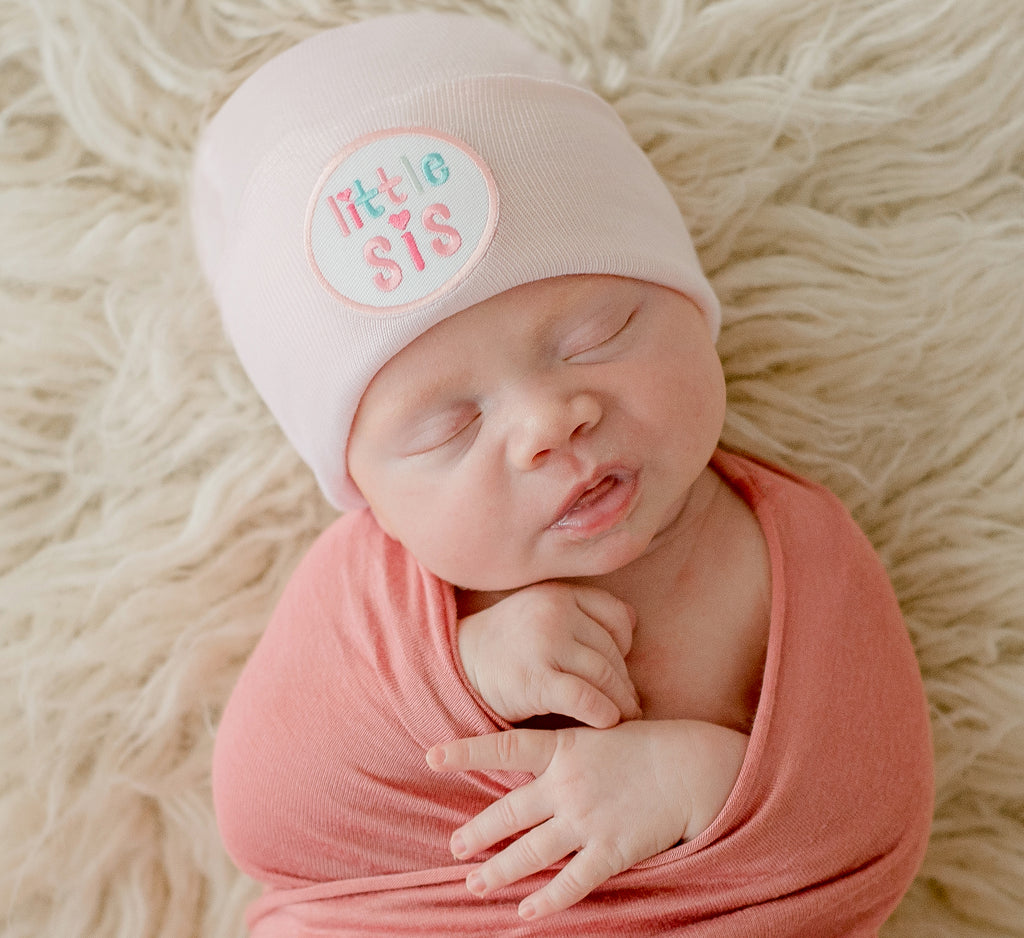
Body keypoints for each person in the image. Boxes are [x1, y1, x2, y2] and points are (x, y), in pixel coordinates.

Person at [191, 11, 933, 936]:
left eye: (598, 336)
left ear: (692, 306)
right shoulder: (372, 596)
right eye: (448, 426)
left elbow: (876, 814)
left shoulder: (787, 552)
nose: (550, 422)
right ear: (365, 491)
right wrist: (456, 676)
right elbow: (268, 819)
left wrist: (703, 782)